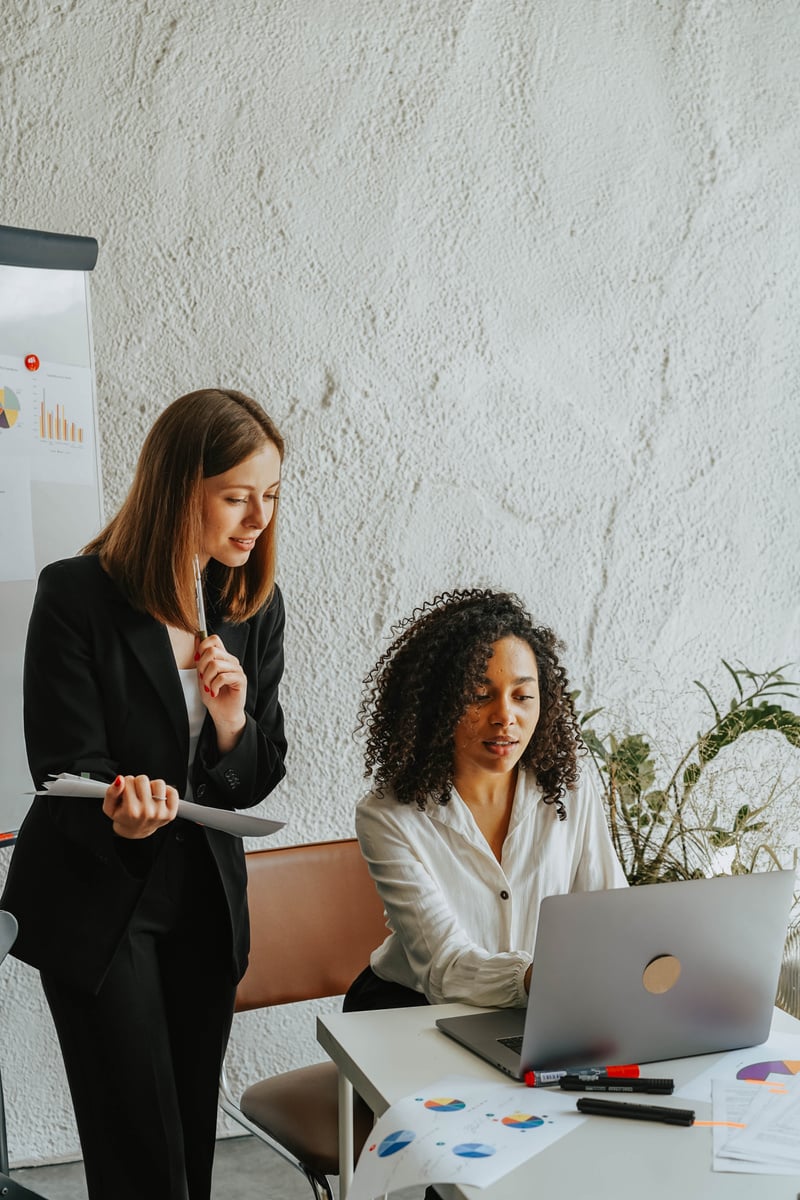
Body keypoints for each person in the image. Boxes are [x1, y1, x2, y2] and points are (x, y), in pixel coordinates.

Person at [1, 387, 287, 1200]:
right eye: (236, 496)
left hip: (203, 902)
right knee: (137, 1154)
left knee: (190, 1143)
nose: (257, 518)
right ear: (177, 490)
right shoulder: (75, 596)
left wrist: (231, 724)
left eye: (268, 496)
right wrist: (125, 825)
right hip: (101, 899)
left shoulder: (249, 607)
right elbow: (62, 764)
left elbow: (257, 772)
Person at [345, 587, 627, 1014]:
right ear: (438, 705)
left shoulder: (569, 787)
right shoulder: (388, 816)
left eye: (522, 695)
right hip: (412, 1010)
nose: (505, 717)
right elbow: (445, 968)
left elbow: (611, 912)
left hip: (540, 1004)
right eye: (479, 695)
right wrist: (544, 979)